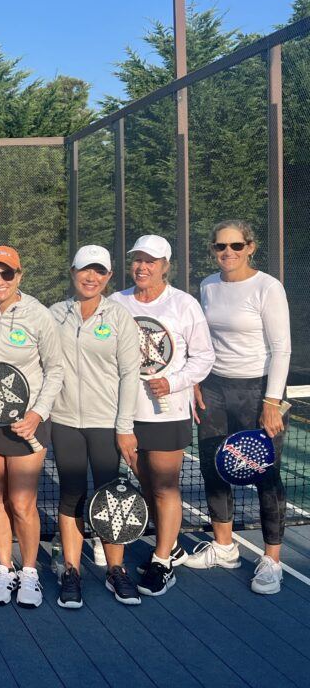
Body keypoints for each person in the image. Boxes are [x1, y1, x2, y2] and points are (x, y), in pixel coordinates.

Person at [109, 235, 214, 596]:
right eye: (137, 259)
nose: (142, 267)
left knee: (166, 485)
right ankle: (172, 546)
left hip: (168, 413)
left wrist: (173, 382)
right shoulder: (115, 302)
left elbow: (203, 357)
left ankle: (162, 560)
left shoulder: (185, 305)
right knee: (146, 483)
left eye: (150, 261)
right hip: (125, 413)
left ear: (166, 266)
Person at [193, 220, 290, 594]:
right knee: (213, 464)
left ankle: (272, 560)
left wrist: (270, 402)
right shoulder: (208, 285)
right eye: (220, 247)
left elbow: (281, 347)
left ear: (251, 247)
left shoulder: (268, 287)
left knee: (266, 473)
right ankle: (224, 546)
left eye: (235, 246)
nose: (227, 253)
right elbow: (203, 340)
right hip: (215, 387)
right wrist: (198, 382)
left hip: (257, 391)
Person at [0, 245, 64, 608]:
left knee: (22, 501)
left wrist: (37, 413)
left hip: (28, 423)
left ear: (19, 275)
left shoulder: (38, 315)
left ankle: (29, 573)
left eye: (7, 274)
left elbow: (55, 368)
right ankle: (4, 569)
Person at [48, 246, 142, 607]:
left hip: (106, 424)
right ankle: (71, 569)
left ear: (108, 277)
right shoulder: (55, 314)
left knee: (112, 496)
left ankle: (115, 570)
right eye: (85, 270)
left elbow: (129, 374)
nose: (91, 277)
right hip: (66, 422)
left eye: (99, 272)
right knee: (71, 494)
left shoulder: (119, 318)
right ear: (73, 272)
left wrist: (124, 426)